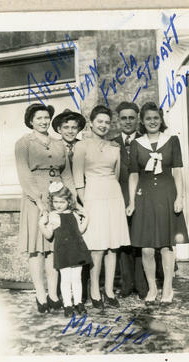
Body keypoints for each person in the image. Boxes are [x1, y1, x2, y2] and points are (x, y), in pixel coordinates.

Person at [126, 102, 189, 305]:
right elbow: (133, 175)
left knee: (165, 246)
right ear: (142, 122)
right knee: (146, 248)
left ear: (160, 120)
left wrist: (180, 197)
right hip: (144, 199)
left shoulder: (171, 140)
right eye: (148, 119)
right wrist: (132, 201)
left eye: (155, 118)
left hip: (166, 196)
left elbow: (177, 171)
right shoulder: (137, 144)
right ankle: (152, 287)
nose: (152, 121)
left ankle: (168, 287)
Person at [15, 103, 74, 314]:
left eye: (46, 117)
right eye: (39, 118)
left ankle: (54, 294)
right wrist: (39, 201)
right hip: (35, 198)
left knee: (54, 247)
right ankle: (40, 294)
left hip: (58, 197)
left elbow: (66, 174)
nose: (43, 121)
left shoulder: (59, 145)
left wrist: (72, 199)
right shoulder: (24, 143)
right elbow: (24, 175)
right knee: (37, 247)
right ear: (31, 121)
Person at [73, 105, 130, 309]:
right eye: (100, 121)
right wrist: (84, 203)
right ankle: (95, 290)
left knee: (113, 246)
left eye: (107, 122)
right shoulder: (81, 146)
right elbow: (78, 178)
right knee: (97, 247)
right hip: (92, 196)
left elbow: (115, 174)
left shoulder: (115, 147)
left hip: (112, 196)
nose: (103, 125)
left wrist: (111, 192)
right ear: (91, 123)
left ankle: (108, 291)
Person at [52, 108, 90, 303]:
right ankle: (64, 296)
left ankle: (81, 294)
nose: (70, 130)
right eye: (66, 127)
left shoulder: (83, 146)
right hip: (63, 200)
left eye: (74, 127)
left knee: (81, 244)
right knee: (64, 247)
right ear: (59, 129)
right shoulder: (55, 147)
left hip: (83, 194)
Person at [39, 181, 92, 317]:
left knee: (77, 278)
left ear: (68, 201)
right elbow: (49, 235)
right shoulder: (54, 216)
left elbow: (80, 230)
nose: (58, 205)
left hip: (77, 250)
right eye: (55, 202)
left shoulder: (74, 214)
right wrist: (41, 225)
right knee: (66, 279)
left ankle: (78, 303)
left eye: (61, 202)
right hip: (63, 252)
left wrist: (86, 217)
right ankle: (67, 305)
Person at [114, 101, 148, 299]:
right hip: (119, 199)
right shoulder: (111, 143)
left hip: (142, 198)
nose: (128, 122)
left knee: (142, 241)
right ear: (119, 120)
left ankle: (142, 285)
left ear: (137, 119)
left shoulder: (146, 141)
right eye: (124, 118)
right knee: (124, 243)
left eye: (131, 118)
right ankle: (126, 285)